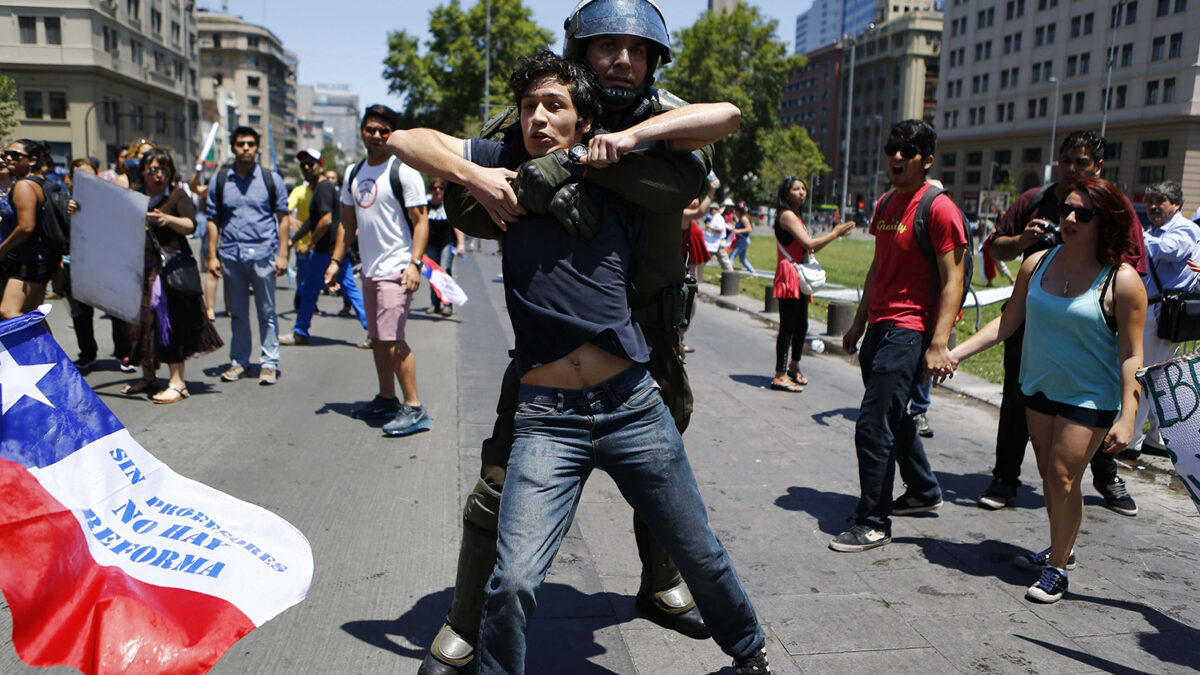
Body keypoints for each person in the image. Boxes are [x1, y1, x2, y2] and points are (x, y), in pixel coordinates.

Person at [389, 49, 767, 675]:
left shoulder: (618, 169)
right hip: (545, 419)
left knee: (699, 554)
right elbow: (405, 138)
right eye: (529, 106)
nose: (538, 117)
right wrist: (476, 176)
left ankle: (750, 655)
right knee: (511, 582)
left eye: (555, 106)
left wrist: (615, 144)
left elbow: (724, 116)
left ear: (583, 122)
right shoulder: (503, 169)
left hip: (631, 406)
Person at [948, 177, 1146, 603]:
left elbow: (1132, 355)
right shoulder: (1036, 263)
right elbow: (1007, 321)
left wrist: (1128, 416)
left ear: (1105, 221)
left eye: (1084, 213)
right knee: (1052, 477)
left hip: (1090, 396)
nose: (1070, 218)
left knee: (1062, 476)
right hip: (1038, 388)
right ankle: (1062, 547)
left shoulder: (1123, 280)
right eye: (1066, 210)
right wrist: (956, 353)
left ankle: (1057, 568)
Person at [978, 131, 1145, 515]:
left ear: (1097, 167)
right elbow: (995, 245)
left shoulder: (1112, 206)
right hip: (1032, 327)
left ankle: (1106, 477)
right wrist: (1023, 240)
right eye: (1066, 160)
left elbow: (1132, 264)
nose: (1071, 169)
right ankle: (1005, 476)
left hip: (1088, 333)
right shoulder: (1033, 200)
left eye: (1081, 162)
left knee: (1088, 420)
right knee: (1018, 405)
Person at [831, 120, 967, 552]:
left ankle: (873, 521)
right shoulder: (887, 203)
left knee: (873, 426)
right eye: (893, 148)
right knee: (894, 417)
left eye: (907, 151)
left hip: (909, 332)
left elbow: (954, 280)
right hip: (879, 329)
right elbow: (878, 267)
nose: (897, 157)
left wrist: (939, 342)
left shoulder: (939, 209)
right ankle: (924, 489)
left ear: (926, 160)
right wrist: (858, 322)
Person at [324, 105, 432, 437]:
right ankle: (387, 399)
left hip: (397, 268)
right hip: (368, 270)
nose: (376, 135)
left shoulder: (404, 171)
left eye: (383, 130)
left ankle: (413, 407)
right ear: (362, 132)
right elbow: (347, 223)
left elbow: (421, 221)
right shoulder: (353, 173)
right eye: (371, 129)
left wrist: (415, 264)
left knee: (392, 339)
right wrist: (334, 261)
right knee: (377, 339)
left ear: (392, 134)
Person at [119, 149, 223, 402]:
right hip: (138, 269)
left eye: (164, 170)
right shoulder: (133, 195)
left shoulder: (177, 195)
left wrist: (167, 219)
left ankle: (177, 382)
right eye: (153, 169)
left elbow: (191, 225)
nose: (159, 175)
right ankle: (148, 376)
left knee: (169, 325)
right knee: (140, 325)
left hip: (168, 272)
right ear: (143, 170)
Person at [205, 126, 290, 386]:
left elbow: (283, 217)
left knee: (267, 311)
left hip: (263, 253)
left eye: (250, 144)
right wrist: (212, 256)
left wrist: (283, 254)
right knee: (238, 313)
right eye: (241, 143)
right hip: (231, 255)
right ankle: (239, 361)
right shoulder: (221, 181)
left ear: (257, 148)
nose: (246, 148)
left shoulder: (270, 179)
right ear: (232, 147)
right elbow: (212, 220)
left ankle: (268, 363)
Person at [1125, 180, 1200, 458]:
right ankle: (1156, 438)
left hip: (1159, 314)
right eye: (1151, 200)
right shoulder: (1154, 230)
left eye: (1161, 200)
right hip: (1151, 312)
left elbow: (1169, 249)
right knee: (1157, 377)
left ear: (1177, 204)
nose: (1154, 206)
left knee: (1141, 376)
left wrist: (1134, 234)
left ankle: (1130, 442)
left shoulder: (1185, 229)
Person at [770, 176, 853, 392]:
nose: (801, 192)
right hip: (790, 275)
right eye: (796, 189)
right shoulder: (787, 215)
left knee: (801, 325)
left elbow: (810, 249)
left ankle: (794, 367)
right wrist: (835, 233)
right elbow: (808, 243)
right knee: (788, 327)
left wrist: (833, 236)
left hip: (799, 274)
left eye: (803, 189)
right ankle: (780, 375)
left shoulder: (796, 216)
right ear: (786, 193)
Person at [280, 149, 368, 345]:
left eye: (310, 164)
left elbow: (326, 219)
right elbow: (313, 220)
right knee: (311, 289)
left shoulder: (324, 187)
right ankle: (300, 331)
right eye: (303, 165)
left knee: (344, 288)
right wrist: (294, 241)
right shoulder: (317, 189)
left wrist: (309, 243)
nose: (306, 168)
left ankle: (373, 332)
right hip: (325, 251)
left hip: (328, 252)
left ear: (320, 166)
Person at [0, 140, 60, 320]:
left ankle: (48, 349)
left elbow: (26, 227)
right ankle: (49, 349)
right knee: (31, 315)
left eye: (16, 155)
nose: (9, 159)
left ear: (33, 160)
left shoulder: (24, 186)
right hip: (39, 259)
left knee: (8, 311)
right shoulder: (39, 182)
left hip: (30, 259)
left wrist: (2, 249)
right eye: (6, 154)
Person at [423, 177, 464, 317]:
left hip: (447, 243)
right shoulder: (426, 206)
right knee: (433, 274)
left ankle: (447, 305)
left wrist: (461, 243)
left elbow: (456, 225)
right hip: (431, 245)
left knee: (444, 270)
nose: (438, 191)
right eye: (435, 188)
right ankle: (435, 304)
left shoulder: (448, 205)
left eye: (440, 188)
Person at [704, 201, 733, 271]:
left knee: (725, 262)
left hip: (719, 243)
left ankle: (730, 275)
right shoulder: (714, 217)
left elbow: (720, 230)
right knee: (704, 258)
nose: (710, 211)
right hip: (713, 243)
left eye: (711, 209)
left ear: (716, 210)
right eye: (709, 209)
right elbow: (710, 230)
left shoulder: (719, 218)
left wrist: (710, 227)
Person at [729, 201, 756, 275]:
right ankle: (753, 273)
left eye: (735, 210)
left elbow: (749, 229)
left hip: (743, 241)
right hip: (743, 240)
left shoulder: (744, 218)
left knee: (731, 257)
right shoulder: (741, 218)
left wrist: (737, 230)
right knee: (742, 260)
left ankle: (728, 274)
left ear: (739, 211)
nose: (734, 212)